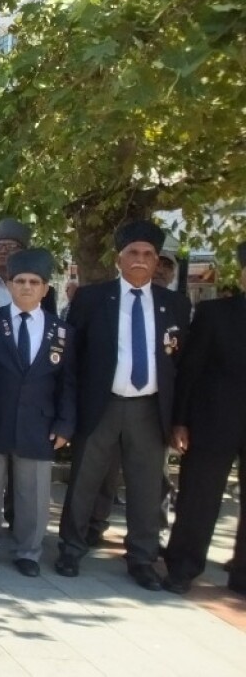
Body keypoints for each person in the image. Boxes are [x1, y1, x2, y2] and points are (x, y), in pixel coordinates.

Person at [54, 220, 192, 591]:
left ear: (156, 262)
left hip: (149, 409)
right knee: (85, 480)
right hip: (101, 405)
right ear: (119, 259)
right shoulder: (91, 299)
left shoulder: (174, 304)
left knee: (148, 487)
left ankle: (143, 558)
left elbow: (182, 366)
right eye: (133, 253)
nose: (140, 260)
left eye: (148, 254)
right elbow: (71, 360)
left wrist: (179, 420)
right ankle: (70, 547)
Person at [0, 248, 76, 576]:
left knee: (34, 493)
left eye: (34, 282)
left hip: (38, 424)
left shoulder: (61, 331)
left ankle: (28, 551)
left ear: (45, 289)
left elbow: (69, 382)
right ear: (10, 285)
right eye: (20, 281)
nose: (26, 287)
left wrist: (65, 424)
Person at [162, 241, 246, 596]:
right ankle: (182, 567)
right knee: (199, 498)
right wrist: (179, 421)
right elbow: (191, 370)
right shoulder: (215, 313)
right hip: (213, 419)